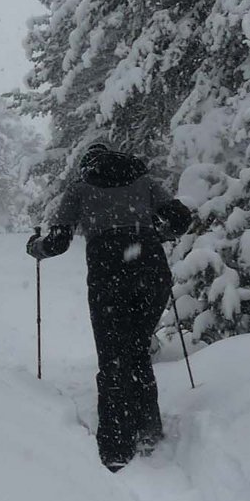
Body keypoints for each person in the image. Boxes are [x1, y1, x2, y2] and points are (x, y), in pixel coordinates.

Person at [28, 142, 195, 471]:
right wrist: (152, 236)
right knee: (136, 349)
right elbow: (180, 218)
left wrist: (36, 248)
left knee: (114, 357)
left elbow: (58, 242)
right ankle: (147, 429)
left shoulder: (81, 188)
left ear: (87, 164)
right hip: (151, 269)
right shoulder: (144, 181)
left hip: (109, 272)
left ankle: (116, 447)